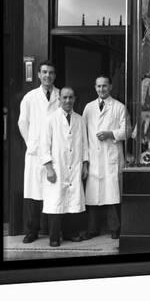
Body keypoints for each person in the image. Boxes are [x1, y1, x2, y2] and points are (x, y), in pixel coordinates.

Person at [40, 87, 89, 247]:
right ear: (59, 99)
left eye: (71, 97)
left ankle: (70, 233)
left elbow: (85, 145)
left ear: (75, 99)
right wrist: (49, 168)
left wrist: (85, 164)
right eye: (65, 97)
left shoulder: (80, 119)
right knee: (56, 202)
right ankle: (54, 237)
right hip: (57, 167)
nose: (68, 100)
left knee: (72, 202)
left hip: (74, 166)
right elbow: (44, 146)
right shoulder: (50, 119)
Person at [17, 61, 60, 244]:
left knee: (54, 194)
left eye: (50, 72)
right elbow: (22, 123)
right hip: (35, 153)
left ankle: (54, 234)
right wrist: (31, 144)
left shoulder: (60, 96)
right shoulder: (30, 97)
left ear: (54, 76)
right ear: (38, 75)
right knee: (34, 194)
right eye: (44, 72)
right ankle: (32, 231)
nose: (47, 76)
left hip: (54, 151)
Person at [82, 75, 129, 240]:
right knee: (93, 196)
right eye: (99, 86)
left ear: (110, 87)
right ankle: (92, 229)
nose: (101, 89)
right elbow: (83, 135)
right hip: (94, 156)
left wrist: (111, 134)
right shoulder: (88, 108)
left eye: (104, 86)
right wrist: (85, 161)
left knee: (112, 194)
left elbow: (127, 131)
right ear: (95, 88)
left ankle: (115, 228)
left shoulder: (119, 107)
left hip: (111, 156)